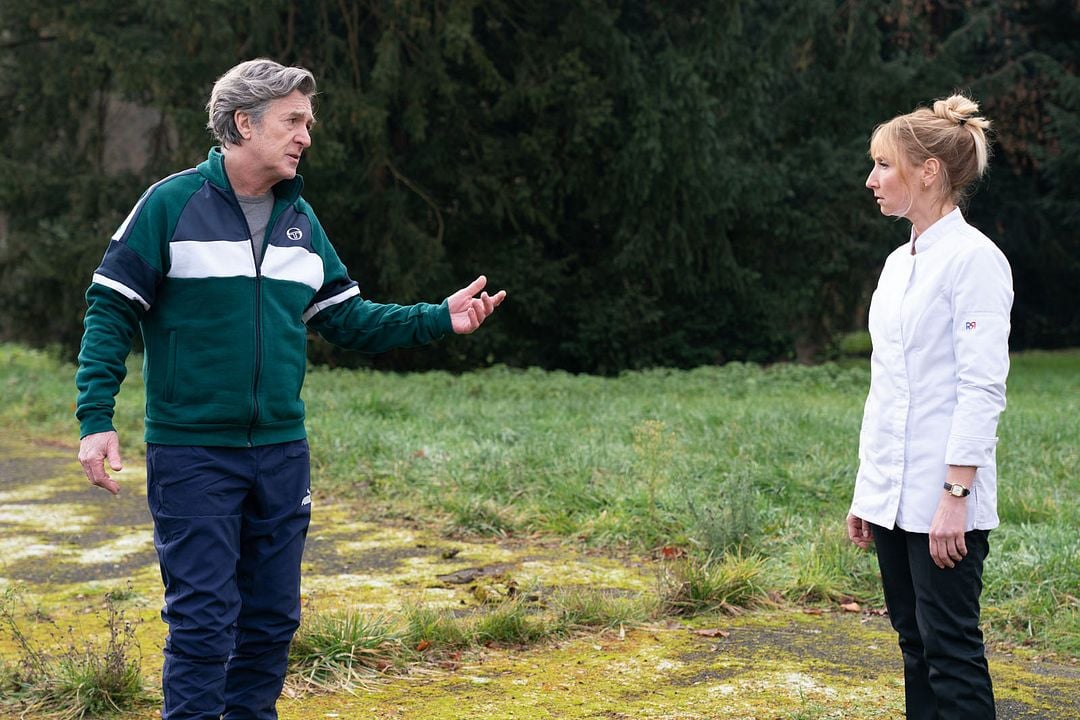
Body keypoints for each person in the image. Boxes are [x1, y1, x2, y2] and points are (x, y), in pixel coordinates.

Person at [75, 58, 505, 720]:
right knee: (203, 625)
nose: (306, 135)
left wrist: (437, 318)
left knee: (272, 621)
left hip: (281, 453)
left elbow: (348, 319)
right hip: (193, 455)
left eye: (309, 121)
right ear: (243, 123)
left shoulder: (301, 222)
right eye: (293, 121)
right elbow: (111, 309)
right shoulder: (170, 204)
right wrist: (95, 418)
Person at [846, 93, 1012, 720]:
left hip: (946, 499)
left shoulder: (975, 261)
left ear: (928, 171)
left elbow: (981, 387)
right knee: (914, 645)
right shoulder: (896, 264)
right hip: (894, 496)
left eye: (883, 164)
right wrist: (870, 492)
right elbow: (886, 385)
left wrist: (956, 497)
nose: (871, 179)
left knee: (950, 649)